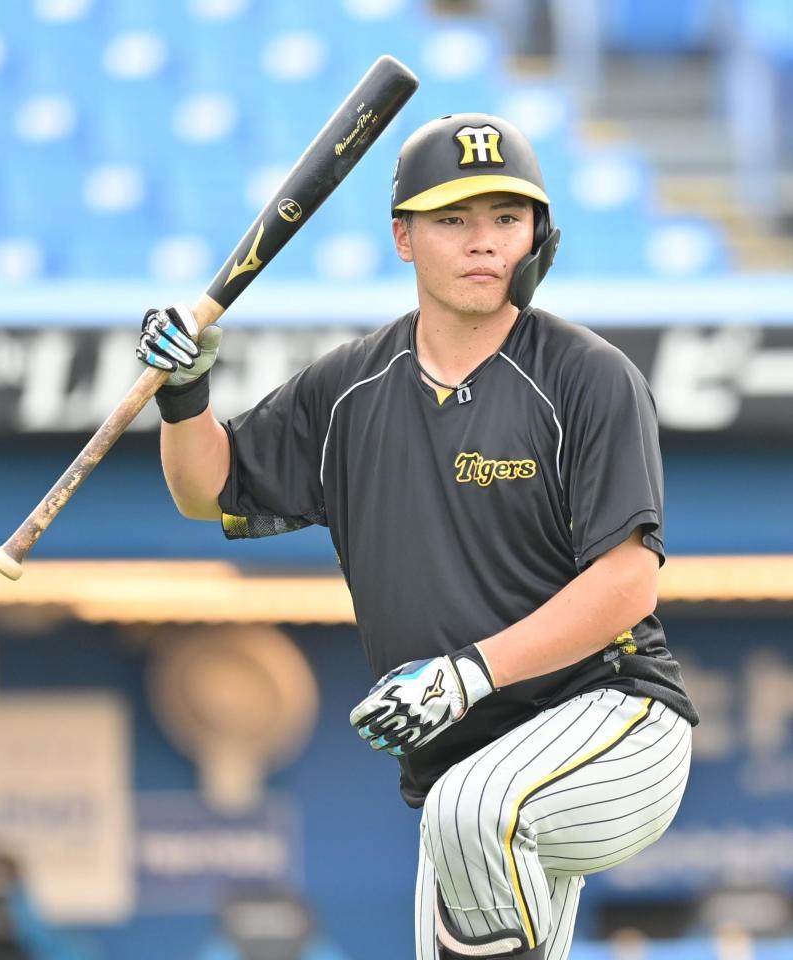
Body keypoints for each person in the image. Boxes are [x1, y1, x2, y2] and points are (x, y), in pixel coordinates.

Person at [137, 114, 699, 960]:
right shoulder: (350, 388)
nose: (485, 244)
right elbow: (204, 490)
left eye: (507, 220)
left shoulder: (588, 376)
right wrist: (183, 393)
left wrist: (466, 676)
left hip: (614, 723)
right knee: (467, 831)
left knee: (472, 808)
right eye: (453, 221)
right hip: (461, 774)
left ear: (539, 236)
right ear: (403, 237)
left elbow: (627, 585)